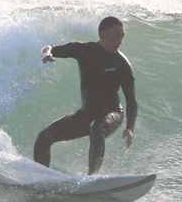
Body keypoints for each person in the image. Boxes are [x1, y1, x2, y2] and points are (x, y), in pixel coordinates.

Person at [34, 16, 137, 175]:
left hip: (113, 113)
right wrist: (46, 54)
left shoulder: (122, 63)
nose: (120, 39)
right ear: (103, 35)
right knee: (44, 137)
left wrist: (130, 127)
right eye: (116, 35)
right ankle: (40, 177)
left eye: (122, 35)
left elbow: (131, 100)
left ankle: (92, 177)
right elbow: (50, 48)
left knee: (97, 128)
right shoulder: (85, 50)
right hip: (87, 114)